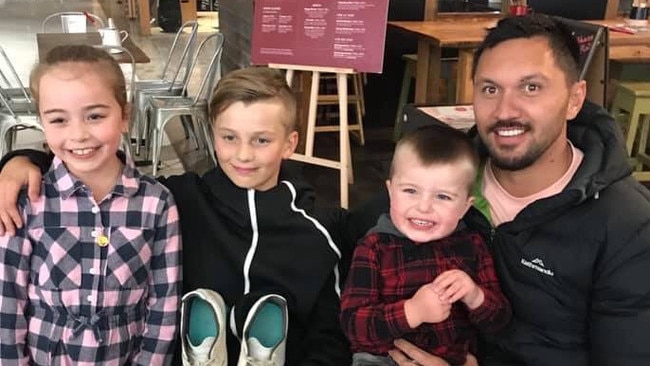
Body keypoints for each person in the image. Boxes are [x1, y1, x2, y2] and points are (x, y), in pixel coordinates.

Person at [0, 66, 355, 365]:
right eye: (229, 137)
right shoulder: (177, 198)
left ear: (290, 143)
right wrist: (22, 161)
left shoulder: (319, 230)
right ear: (212, 135)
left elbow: (329, 336)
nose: (243, 154)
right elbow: (102, 176)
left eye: (261, 140)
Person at [362, 14, 650, 366]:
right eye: (490, 89)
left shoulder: (629, 228)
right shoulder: (440, 181)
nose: (505, 110)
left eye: (531, 87)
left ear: (575, 99)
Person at [0, 45, 181, 364]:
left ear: (125, 115)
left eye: (95, 116)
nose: (79, 134)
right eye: (58, 119)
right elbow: (7, 300)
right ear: (41, 121)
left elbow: (164, 303)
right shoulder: (27, 200)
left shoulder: (156, 203)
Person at [341, 125, 510, 366]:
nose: (423, 207)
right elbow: (353, 324)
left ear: (465, 206)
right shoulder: (373, 247)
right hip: (384, 359)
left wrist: (474, 295)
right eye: (410, 190)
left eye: (443, 196)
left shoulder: (472, 246)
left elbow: (500, 321)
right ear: (390, 191)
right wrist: (413, 311)